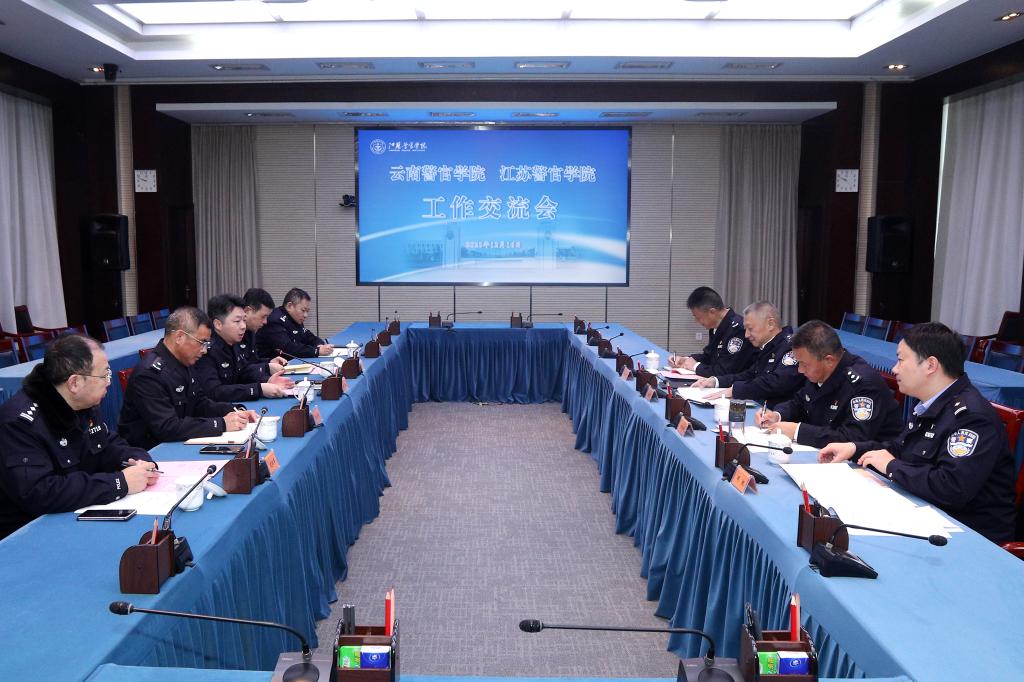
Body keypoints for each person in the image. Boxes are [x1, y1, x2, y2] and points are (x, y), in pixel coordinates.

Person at [818, 322, 1016, 543]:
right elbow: (900, 449)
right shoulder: (931, 401)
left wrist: (892, 466)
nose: (894, 369)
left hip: (969, 536)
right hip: (927, 515)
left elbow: (951, 488)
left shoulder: (972, 417)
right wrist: (855, 448)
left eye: (901, 360)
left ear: (930, 365)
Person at [0, 334, 159, 539]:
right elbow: (39, 493)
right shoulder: (20, 423)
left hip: (74, 515)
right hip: (29, 533)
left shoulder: (82, 403)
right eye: (104, 375)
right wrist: (119, 483)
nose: (109, 382)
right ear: (74, 383)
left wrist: (138, 459)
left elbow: (106, 444)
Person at [118, 306, 257, 450]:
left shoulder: (184, 361)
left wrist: (235, 411)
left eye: (207, 344)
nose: (204, 350)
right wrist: (221, 424)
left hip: (179, 442)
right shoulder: (149, 374)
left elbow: (200, 404)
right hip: (152, 452)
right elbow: (167, 427)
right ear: (179, 337)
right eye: (201, 342)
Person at [757, 320, 902, 447]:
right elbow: (799, 403)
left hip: (868, 465)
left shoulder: (863, 385)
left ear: (829, 360)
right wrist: (777, 415)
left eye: (804, 364)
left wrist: (797, 431)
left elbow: (853, 439)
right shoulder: (819, 372)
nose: (800, 370)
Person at [692, 301, 802, 408]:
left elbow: (777, 383)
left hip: (777, 413)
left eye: (750, 329)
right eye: (745, 330)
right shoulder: (767, 346)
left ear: (770, 324)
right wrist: (716, 381)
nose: (746, 335)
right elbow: (749, 375)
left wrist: (735, 391)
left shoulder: (792, 346)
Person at [196, 294, 294, 402]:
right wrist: (258, 389)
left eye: (244, 320)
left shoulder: (232, 342)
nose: (243, 326)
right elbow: (214, 392)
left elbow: (243, 372)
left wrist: (268, 380)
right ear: (218, 324)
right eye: (237, 321)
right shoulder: (205, 350)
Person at [668, 286, 755, 377]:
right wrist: (686, 360)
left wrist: (695, 366)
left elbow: (726, 371)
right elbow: (709, 356)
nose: (697, 322)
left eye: (698, 317)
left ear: (712, 312)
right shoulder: (716, 326)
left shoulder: (738, 329)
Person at [255, 288, 335, 359]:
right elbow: (288, 348)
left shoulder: (294, 318)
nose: (306, 315)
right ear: (290, 306)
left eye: (307, 311)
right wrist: (316, 351)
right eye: (303, 310)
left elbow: (307, 336)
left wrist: (319, 344)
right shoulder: (274, 320)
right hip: (269, 366)